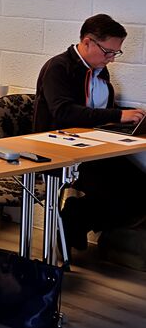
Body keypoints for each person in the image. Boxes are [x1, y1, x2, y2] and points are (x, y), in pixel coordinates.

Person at [34, 13, 146, 252]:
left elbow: (98, 110)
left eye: (116, 53)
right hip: (61, 152)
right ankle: (75, 217)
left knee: (140, 189)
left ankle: (77, 217)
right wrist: (118, 116)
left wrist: (131, 117)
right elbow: (64, 112)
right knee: (120, 190)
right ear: (87, 42)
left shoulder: (100, 70)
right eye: (108, 52)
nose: (112, 59)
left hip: (94, 149)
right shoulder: (58, 67)